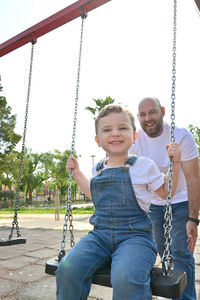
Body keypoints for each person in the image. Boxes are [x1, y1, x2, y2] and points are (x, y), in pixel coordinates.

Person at [56, 104, 181, 300]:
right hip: (99, 236)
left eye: (122, 128)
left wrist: (176, 163)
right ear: (98, 140)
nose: (115, 133)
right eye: (107, 130)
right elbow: (93, 193)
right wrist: (77, 173)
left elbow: (166, 192)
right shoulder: (97, 169)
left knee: (125, 277)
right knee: (66, 270)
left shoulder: (143, 165)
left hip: (136, 238)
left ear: (135, 136)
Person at [130, 97, 200, 300]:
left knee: (180, 251)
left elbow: (194, 179)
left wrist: (193, 218)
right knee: (163, 252)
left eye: (152, 112)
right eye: (142, 114)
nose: (147, 118)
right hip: (154, 204)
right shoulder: (136, 141)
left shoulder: (182, 136)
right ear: (138, 117)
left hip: (181, 201)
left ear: (162, 111)